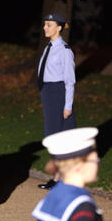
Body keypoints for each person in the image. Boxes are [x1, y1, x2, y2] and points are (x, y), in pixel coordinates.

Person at [32, 127, 108, 221]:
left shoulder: (54, 194)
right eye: (95, 159)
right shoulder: (81, 208)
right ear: (79, 166)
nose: (98, 163)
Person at [37, 13, 76, 190]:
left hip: (58, 94)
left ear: (59, 28)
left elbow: (70, 80)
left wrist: (67, 105)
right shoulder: (49, 47)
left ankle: (61, 178)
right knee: (53, 137)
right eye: (45, 24)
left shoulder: (65, 51)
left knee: (58, 137)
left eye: (49, 25)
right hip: (49, 93)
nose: (45, 28)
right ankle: (59, 177)